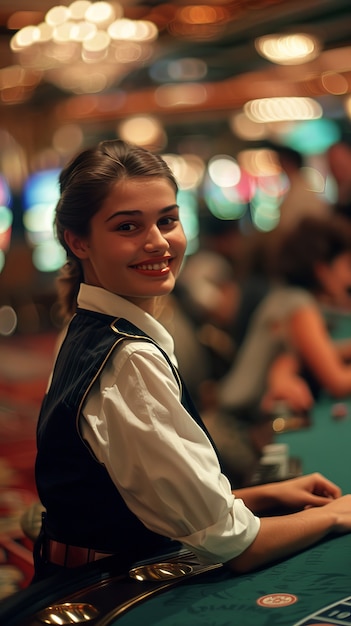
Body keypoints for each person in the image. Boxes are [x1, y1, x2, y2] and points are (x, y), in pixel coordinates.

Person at [33, 139, 351, 583]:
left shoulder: (87, 326)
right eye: (128, 227)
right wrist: (337, 516)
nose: (158, 243)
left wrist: (263, 494)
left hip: (95, 569)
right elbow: (236, 545)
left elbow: (141, 500)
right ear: (78, 241)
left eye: (167, 220)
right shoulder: (128, 360)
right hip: (112, 587)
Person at [218, 214, 351, 425]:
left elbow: (321, 352)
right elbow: (338, 382)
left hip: (239, 418)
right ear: (322, 270)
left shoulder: (287, 296)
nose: (349, 277)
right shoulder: (298, 306)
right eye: (346, 265)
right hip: (238, 429)